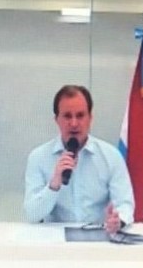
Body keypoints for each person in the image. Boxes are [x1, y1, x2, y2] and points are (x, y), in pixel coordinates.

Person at [24, 85, 133, 234]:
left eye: (80, 115)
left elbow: (125, 204)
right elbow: (32, 215)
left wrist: (118, 221)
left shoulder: (111, 156)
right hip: (55, 240)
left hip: (98, 237)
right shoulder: (38, 157)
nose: (74, 123)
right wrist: (54, 185)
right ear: (57, 120)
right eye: (67, 116)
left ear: (90, 118)